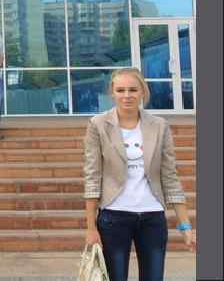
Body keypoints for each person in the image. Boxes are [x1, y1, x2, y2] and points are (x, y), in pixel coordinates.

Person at [84, 68, 196, 281]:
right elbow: (92, 177)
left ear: (142, 92)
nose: (127, 95)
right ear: (112, 93)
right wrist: (91, 228)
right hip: (114, 217)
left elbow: (170, 177)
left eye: (133, 90)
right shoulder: (98, 125)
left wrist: (185, 226)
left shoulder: (159, 126)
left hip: (153, 217)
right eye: (121, 90)